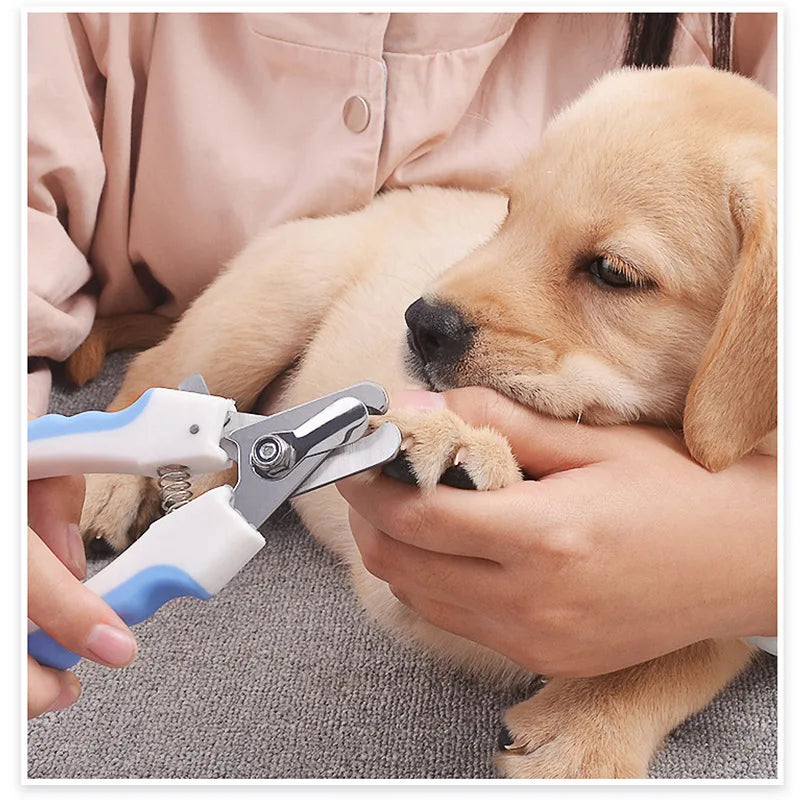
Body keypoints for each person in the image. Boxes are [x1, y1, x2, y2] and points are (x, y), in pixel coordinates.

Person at [27, 12, 777, 716]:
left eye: (612, 272)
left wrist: (747, 564)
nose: (438, 307)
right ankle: (156, 409)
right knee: (302, 268)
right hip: (347, 269)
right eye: (510, 212)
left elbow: (725, 620)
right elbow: (400, 583)